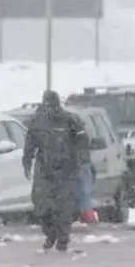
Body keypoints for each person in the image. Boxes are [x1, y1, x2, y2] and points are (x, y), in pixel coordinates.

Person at [22, 90, 88, 251]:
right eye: (48, 106)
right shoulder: (37, 122)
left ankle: (63, 239)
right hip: (44, 170)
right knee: (41, 206)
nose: (51, 109)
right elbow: (30, 144)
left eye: (53, 106)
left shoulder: (70, 120)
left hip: (66, 170)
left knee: (64, 208)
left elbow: (83, 142)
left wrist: (80, 162)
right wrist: (26, 162)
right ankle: (50, 233)